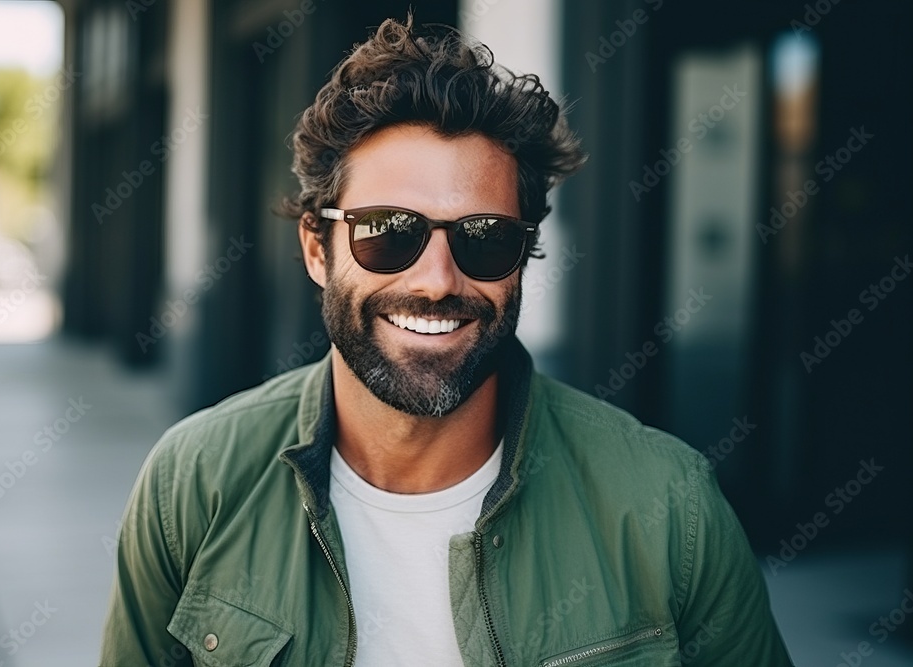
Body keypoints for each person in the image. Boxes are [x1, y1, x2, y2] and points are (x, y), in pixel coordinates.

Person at [100, 15, 794, 667]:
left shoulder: (670, 507)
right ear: (317, 246)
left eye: (485, 239)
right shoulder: (193, 484)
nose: (436, 280)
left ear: (524, 256)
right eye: (389, 232)